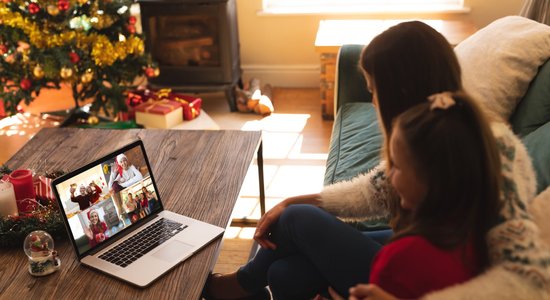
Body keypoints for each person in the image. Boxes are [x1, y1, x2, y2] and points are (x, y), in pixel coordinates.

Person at [206, 21, 549, 300]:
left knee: (296, 222)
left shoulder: (491, 152)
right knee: (286, 273)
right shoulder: (440, 131)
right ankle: (247, 285)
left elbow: (517, 273)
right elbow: (375, 192)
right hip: (430, 252)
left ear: (400, 91)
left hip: (437, 278)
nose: (372, 102)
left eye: (373, 91)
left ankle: (239, 285)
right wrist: (290, 199)